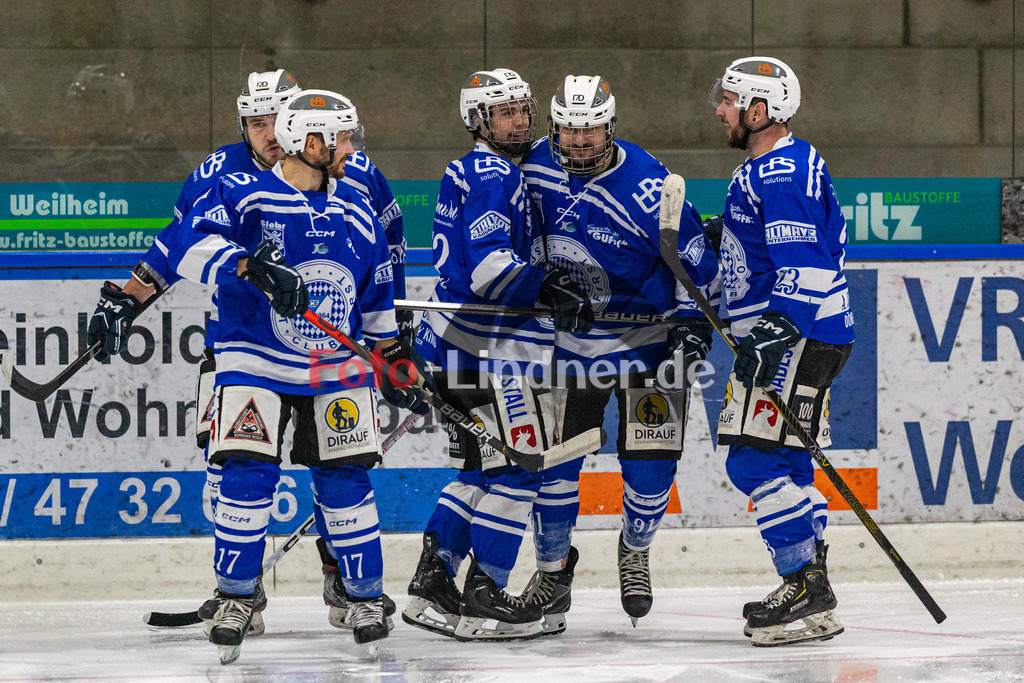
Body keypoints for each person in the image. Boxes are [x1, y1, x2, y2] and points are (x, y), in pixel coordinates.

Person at [86, 69, 405, 635]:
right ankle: (238, 591)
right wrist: (131, 297)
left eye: (269, 120)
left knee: (343, 477)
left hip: (333, 360)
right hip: (249, 353)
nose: (263, 132)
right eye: (254, 122)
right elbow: (181, 243)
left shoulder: (358, 188)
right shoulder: (228, 179)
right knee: (241, 474)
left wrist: (392, 350)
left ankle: (351, 586)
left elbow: (381, 269)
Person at [519, 75, 719, 630]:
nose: (579, 140)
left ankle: (634, 549)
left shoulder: (651, 186)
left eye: (591, 129)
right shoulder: (531, 166)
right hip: (565, 346)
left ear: (611, 126)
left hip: (646, 343)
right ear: (554, 126)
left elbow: (699, 266)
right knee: (555, 465)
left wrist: (693, 328)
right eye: (569, 129)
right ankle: (553, 571)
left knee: (652, 468)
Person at [401, 68, 593, 641]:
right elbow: (487, 268)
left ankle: (432, 581)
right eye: (504, 112)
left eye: (522, 109)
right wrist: (548, 286)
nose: (520, 120)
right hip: (489, 343)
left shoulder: (484, 169)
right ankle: (486, 592)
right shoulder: (489, 172)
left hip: (458, 340)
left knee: (481, 468)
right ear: (478, 120)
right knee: (520, 466)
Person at [708, 56, 854, 646]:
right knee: (791, 464)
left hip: (793, 339)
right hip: (812, 337)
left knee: (752, 462)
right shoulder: (779, 164)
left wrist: (772, 335)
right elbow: (777, 246)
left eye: (729, 99)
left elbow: (806, 267)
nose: (720, 109)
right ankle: (812, 589)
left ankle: (803, 583)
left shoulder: (779, 174)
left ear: (760, 110)